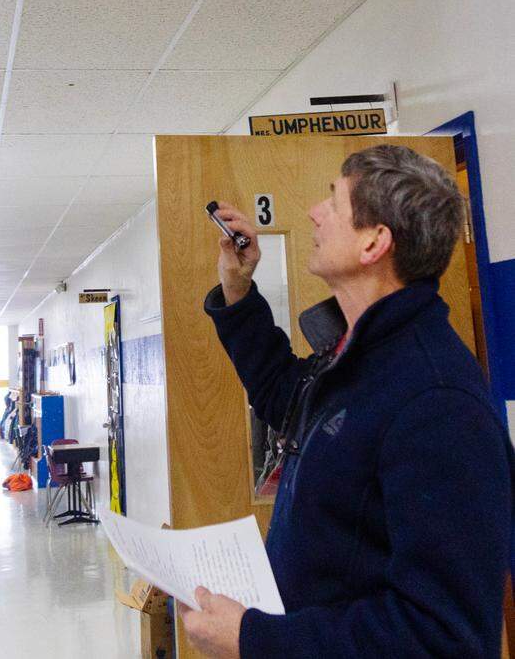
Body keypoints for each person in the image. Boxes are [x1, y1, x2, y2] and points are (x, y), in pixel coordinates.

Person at [181, 144, 513, 658]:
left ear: (374, 243)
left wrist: (255, 639)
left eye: (334, 202)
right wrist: (238, 288)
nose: (315, 212)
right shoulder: (359, 354)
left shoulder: (438, 402)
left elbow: (442, 638)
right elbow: (284, 398)